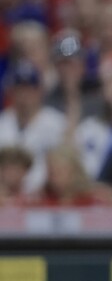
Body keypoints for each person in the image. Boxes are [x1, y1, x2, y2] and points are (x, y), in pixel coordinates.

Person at [0, 61, 66, 194]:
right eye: (20, 88)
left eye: (30, 88)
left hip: (45, 198)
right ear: (12, 91)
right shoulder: (3, 122)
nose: (25, 95)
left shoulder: (56, 123)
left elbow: (64, 166)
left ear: (40, 90)